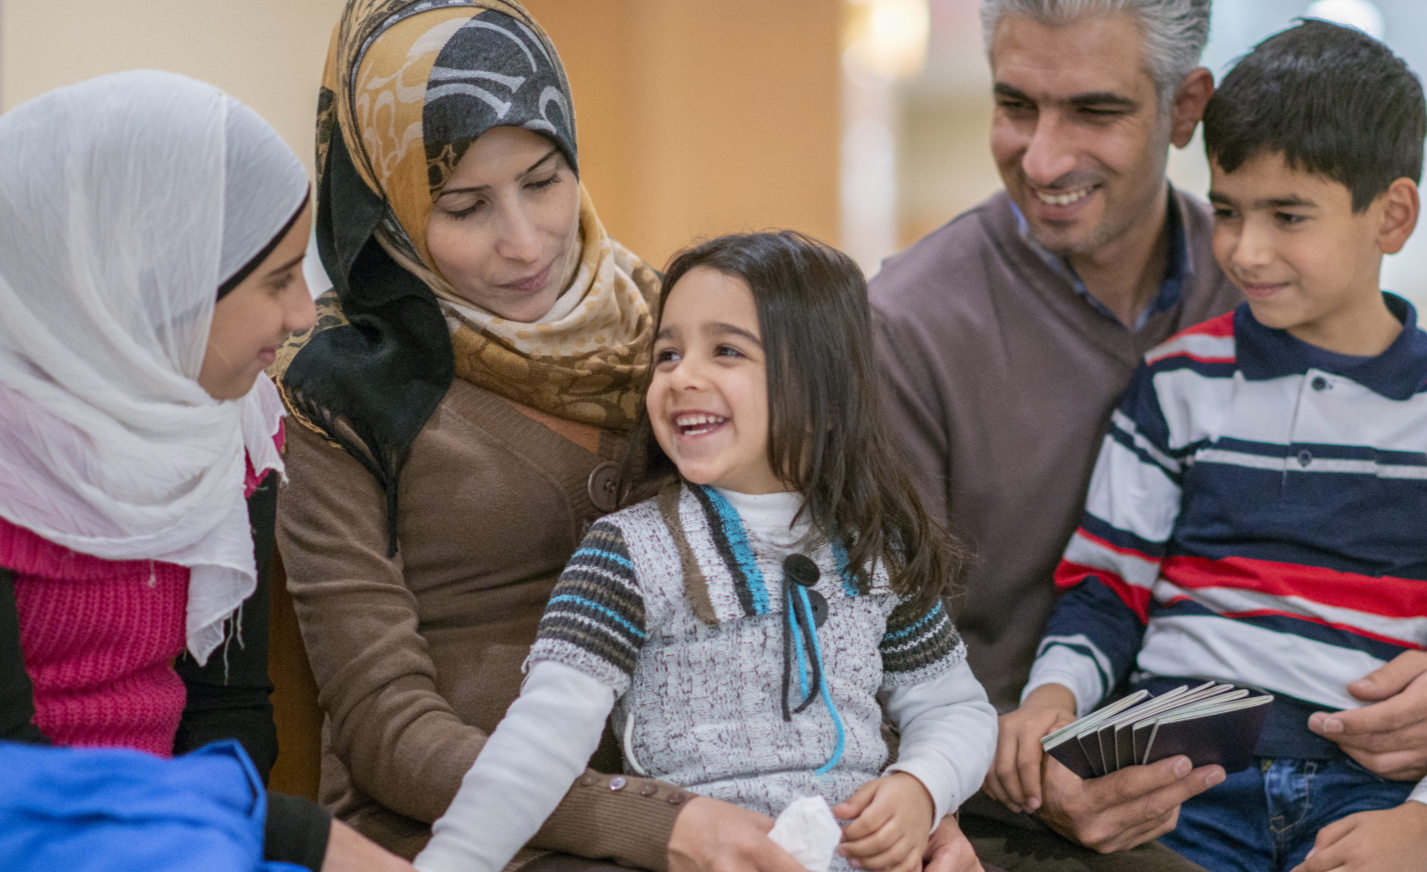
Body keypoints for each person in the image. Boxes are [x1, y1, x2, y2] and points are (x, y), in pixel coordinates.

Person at [273, 4, 985, 872]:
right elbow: (388, 731)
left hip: (739, 816)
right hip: (474, 825)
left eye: (544, 181)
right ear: (390, 200)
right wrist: (653, 821)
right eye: (464, 206)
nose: (527, 242)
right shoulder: (339, 389)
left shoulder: (671, 325)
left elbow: (886, 677)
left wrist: (912, 799)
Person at [869, 0, 1427, 866]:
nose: (1044, 157)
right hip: (1024, 793)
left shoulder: (1291, 304)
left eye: (1095, 109)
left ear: (1186, 108)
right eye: (1016, 105)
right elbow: (856, 659)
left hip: (1338, 780)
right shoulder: (902, 329)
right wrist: (1030, 751)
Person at [413, 231, 997, 872]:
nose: (681, 376)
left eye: (725, 351)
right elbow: (540, 740)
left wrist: (922, 787)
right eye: (667, 354)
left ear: (826, 395)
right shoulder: (629, 552)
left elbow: (956, 710)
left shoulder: (874, 550)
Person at [0, 70, 412, 871]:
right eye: (277, 279)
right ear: (163, 283)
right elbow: (14, 773)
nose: (302, 315)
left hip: (200, 838)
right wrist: (310, 842)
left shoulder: (233, 423)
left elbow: (230, 711)